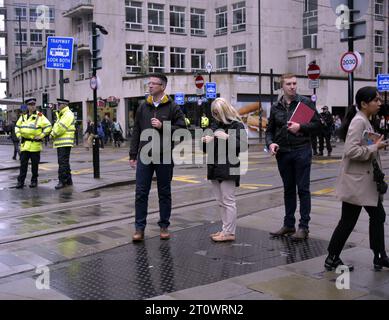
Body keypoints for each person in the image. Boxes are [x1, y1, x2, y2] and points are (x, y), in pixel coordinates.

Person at [325, 87, 389, 272]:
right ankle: (334, 257)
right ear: (364, 104)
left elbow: (363, 146)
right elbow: (351, 151)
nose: (379, 103)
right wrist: (374, 148)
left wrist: (376, 145)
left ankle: (377, 257)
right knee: (352, 220)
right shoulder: (359, 121)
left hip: (363, 182)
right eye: (375, 100)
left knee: (374, 217)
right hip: (358, 183)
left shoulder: (365, 121)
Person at [130, 73, 186, 242]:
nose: (150, 86)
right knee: (140, 192)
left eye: (154, 84)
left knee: (164, 192)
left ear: (162, 87)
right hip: (145, 156)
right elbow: (136, 131)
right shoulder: (142, 107)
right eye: (149, 83)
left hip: (164, 156)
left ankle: (164, 226)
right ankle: (139, 228)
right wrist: (133, 154)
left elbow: (182, 131)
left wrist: (163, 126)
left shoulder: (173, 107)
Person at [265, 73, 321, 240]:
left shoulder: (305, 103)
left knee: (303, 189)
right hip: (283, 153)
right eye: (289, 84)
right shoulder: (276, 107)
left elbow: (318, 125)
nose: (292, 86)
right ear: (282, 86)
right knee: (288, 189)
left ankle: (303, 227)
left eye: (294, 83)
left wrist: (300, 126)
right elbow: (269, 131)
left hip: (301, 150)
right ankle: (289, 225)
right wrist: (270, 144)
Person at [201, 98, 247, 242]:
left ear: (224, 111)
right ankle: (225, 229)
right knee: (221, 201)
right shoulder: (215, 125)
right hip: (214, 166)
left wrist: (228, 137)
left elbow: (244, 146)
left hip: (228, 166)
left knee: (228, 201)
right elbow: (206, 149)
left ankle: (229, 232)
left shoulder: (237, 125)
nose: (215, 115)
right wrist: (205, 142)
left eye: (217, 112)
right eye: (214, 113)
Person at [15, 98, 52, 189]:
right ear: (27, 106)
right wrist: (19, 135)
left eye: (33, 104)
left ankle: (34, 181)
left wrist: (42, 135)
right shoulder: (23, 116)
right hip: (25, 145)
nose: (32, 106)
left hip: (35, 145)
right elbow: (17, 127)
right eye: (30, 105)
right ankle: (21, 182)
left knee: (34, 166)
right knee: (23, 165)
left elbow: (48, 126)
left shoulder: (40, 116)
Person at [50, 98, 76, 190]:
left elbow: (61, 127)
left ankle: (62, 181)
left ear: (64, 105)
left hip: (64, 142)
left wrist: (52, 134)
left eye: (59, 104)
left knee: (62, 163)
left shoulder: (67, 114)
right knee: (65, 162)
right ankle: (68, 180)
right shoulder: (62, 114)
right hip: (63, 142)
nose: (58, 106)